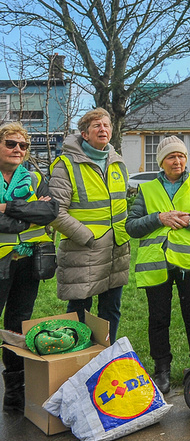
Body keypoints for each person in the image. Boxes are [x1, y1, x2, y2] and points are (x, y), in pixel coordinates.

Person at [126, 136, 190, 393]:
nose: (177, 161)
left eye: (181, 156)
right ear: (161, 162)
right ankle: (162, 370)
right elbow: (132, 227)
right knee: (158, 318)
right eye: (171, 156)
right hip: (156, 263)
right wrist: (159, 218)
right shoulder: (146, 190)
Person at [50, 108, 130, 342]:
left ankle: (106, 360)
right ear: (84, 134)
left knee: (111, 311)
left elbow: (121, 205)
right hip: (83, 251)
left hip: (116, 251)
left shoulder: (118, 163)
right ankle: (74, 364)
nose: (103, 129)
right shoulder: (66, 165)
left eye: (106, 125)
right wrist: (87, 237)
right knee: (78, 313)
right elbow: (55, 212)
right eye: (97, 126)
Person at [0, 123, 59, 412]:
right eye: (11, 143)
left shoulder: (33, 177)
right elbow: (37, 212)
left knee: (17, 326)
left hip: (28, 264)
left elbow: (50, 211)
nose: (18, 150)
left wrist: (6, 207)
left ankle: (14, 393)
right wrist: (29, 213)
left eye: (23, 146)